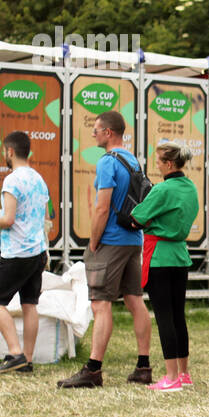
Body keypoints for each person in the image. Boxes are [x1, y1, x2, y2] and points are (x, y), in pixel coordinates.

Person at [58, 111, 153, 388]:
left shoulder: (106, 163)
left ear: (108, 133)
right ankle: (143, 366)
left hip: (110, 240)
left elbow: (101, 207)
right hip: (133, 240)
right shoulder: (133, 160)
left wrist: (93, 241)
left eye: (96, 129)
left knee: (100, 304)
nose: (93, 134)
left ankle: (93, 370)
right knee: (135, 300)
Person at [129, 141, 200, 391]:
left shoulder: (162, 189)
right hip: (180, 256)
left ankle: (170, 378)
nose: (156, 165)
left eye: (158, 161)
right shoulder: (191, 187)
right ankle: (183, 374)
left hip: (159, 256)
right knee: (178, 316)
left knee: (164, 318)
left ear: (169, 164)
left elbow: (136, 217)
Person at [0, 131, 50, 374]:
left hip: (16, 253)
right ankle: (28, 359)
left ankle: (14, 352)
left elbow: (9, 219)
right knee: (29, 304)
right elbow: (44, 218)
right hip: (37, 252)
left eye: (4, 151)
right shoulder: (38, 179)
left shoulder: (12, 180)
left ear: (10, 151)